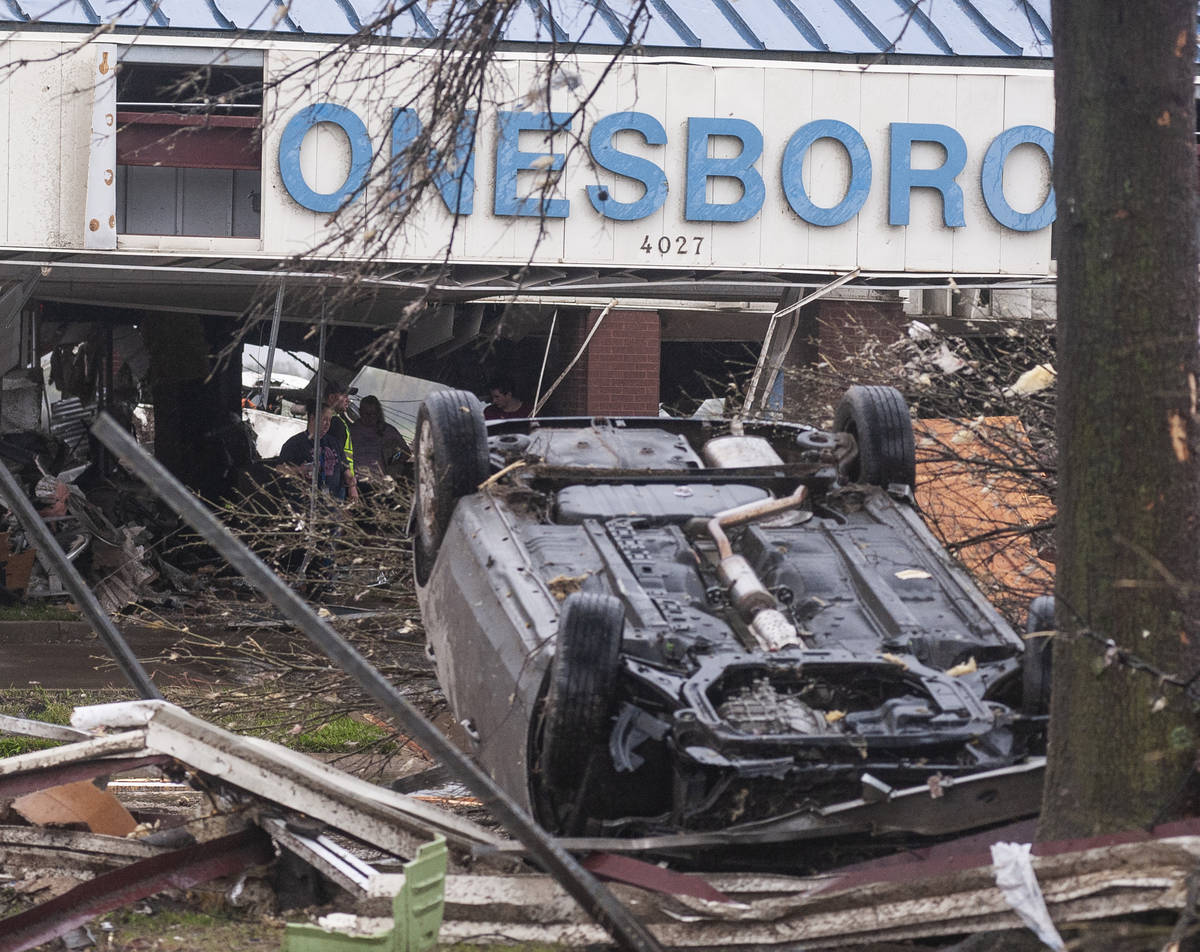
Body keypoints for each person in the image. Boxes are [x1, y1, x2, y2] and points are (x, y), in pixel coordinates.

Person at [277, 400, 347, 499]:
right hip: (305, 504)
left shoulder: (334, 443)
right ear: (313, 418)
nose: (327, 424)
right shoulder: (294, 443)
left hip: (332, 505)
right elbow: (279, 469)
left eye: (329, 420)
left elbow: (345, 469)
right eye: (324, 419)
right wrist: (301, 469)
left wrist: (353, 488)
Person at [348, 394, 410, 485]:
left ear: (378, 413)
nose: (371, 417)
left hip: (381, 482)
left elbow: (405, 452)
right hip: (355, 482)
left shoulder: (388, 431)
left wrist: (392, 459)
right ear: (360, 412)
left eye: (374, 413)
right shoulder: (351, 431)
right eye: (367, 413)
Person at [321, 380, 359, 502]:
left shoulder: (331, 421)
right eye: (344, 396)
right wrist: (351, 486)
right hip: (336, 484)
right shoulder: (335, 423)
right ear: (332, 398)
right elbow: (337, 457)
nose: (348, 400)